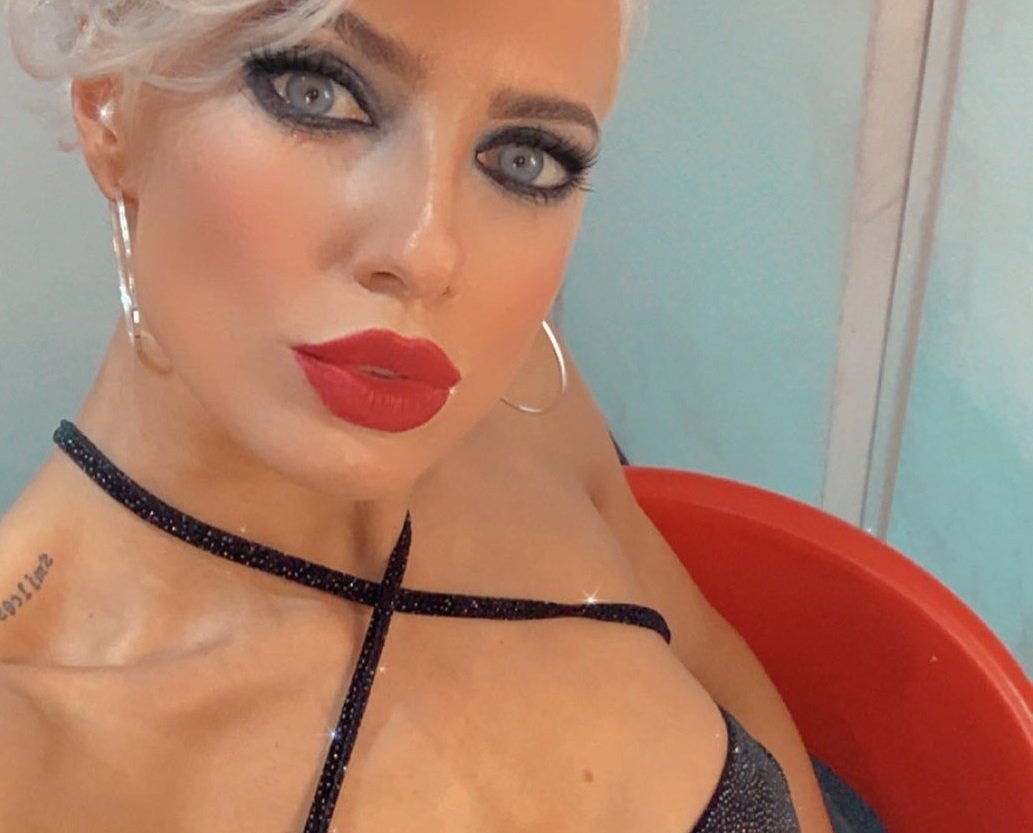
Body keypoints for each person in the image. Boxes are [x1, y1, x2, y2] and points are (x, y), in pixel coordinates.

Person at [0, 1, 843, 830]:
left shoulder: (525, 401)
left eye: (523, 160)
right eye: (316, 91)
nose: (428, 253)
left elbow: (722, 672)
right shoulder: (33, 746)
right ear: (110, 98)